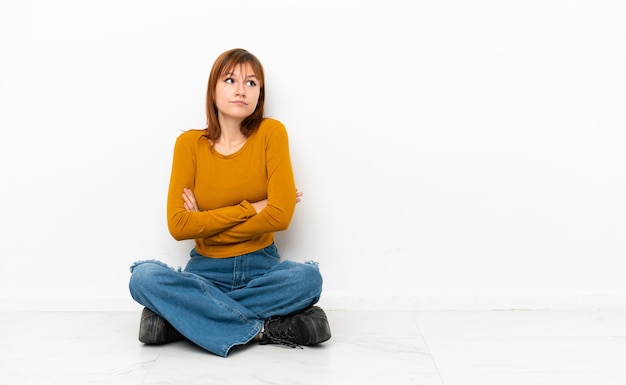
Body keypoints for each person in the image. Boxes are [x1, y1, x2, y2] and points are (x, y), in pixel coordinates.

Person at [128, 48, 331, 357]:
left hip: (262, 270)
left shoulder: (271, 133)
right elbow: (179, 226)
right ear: (213, 90)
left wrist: (207, 225)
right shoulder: (189, 145)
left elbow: (280, 216)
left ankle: (183, 318)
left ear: (260, 94)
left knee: (307, 279)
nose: (241, 90)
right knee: (143, 278)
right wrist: (252, 208)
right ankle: (263, 330)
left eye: (251, 83)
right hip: (205, 273)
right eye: (230, 80)